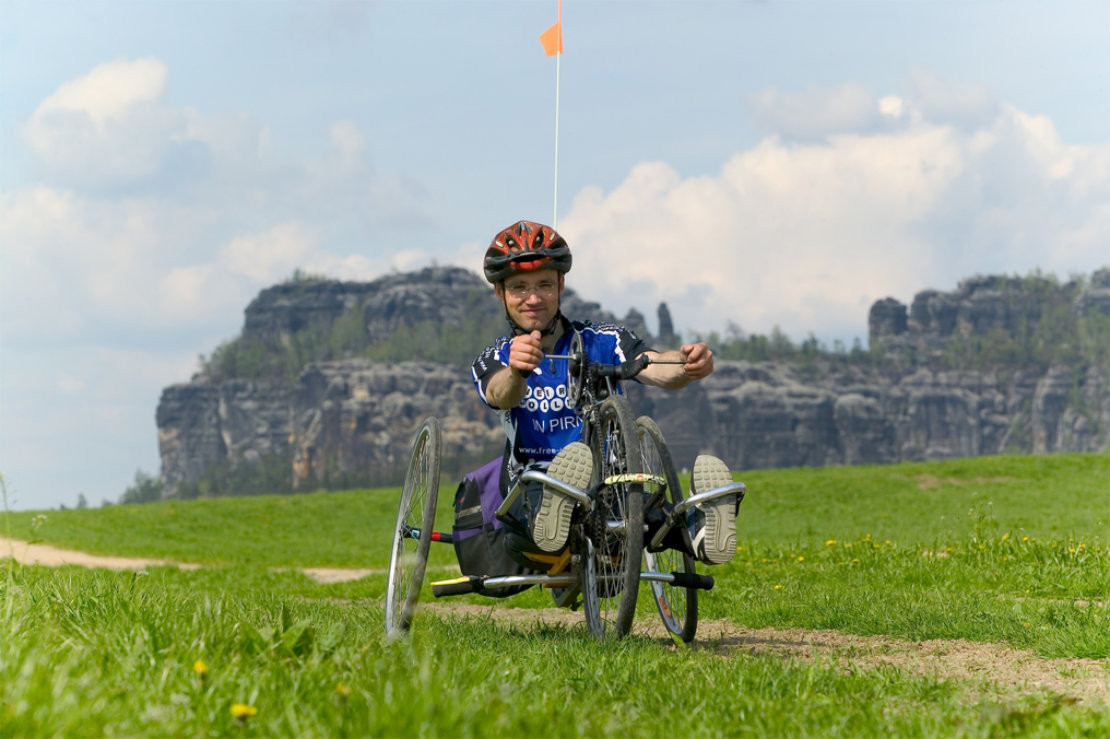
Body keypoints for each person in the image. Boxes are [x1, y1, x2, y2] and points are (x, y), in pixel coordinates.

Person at [470, 219, 740, 568]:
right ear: (500, 293)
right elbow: (499, 393)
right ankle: (558, 505)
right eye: (520, 287)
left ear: (561, 285)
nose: (533, 298)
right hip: (530, 483)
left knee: (639, 509)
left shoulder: (603, 339)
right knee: (536, 510)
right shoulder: (493, 358)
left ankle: (700, 527)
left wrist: (686, 365)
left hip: (606, 487)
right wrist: (517, 370)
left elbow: (652, 365)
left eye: (544, 285)